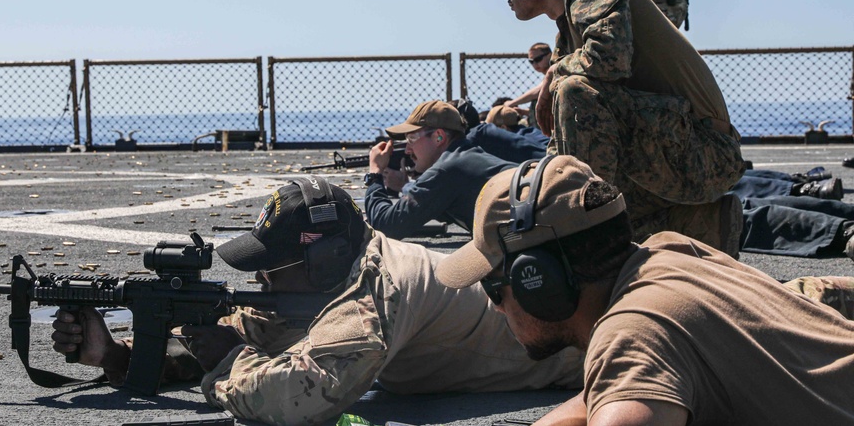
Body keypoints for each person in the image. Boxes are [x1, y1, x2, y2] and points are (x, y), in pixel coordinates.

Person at [52, 177, 583, 425]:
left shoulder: (377, 293)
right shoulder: (322, 284)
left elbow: (302, 395)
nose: (259, 281)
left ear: (323, 260)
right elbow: (256, 331)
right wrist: (118, 356)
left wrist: (227, 362)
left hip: (568, 361)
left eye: (270, 268)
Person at [436, 155, 854, 426]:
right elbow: (623, 383)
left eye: (495, 288)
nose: (496, 309)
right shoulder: (670, 252)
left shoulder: (632, 333)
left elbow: (633, 362)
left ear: (539, 280)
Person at [500, 0, 746, 253]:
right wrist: (538, 206)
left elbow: (610, 55)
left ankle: (589, 252)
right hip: (683, 151)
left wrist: (552, 76)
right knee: (599, 214)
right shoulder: (568, 36)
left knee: (574, 92)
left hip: (706, 151)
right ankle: (703, 224)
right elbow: (562, 147)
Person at [365, 100, 525, 238]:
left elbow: (385, 225)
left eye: (412, 138)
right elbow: (434, 207)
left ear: (438, 137)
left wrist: (375, 174)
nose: (407, 149)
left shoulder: (446, 169)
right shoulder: (464, 157)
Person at [507, 42, 553, 120]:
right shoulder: (545, 76)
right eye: (531, 61)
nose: (535, 64)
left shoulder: (555, 70)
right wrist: (525, 112)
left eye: (538, 59)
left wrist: (511, 103)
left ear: (549, 55)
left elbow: (539, 90)